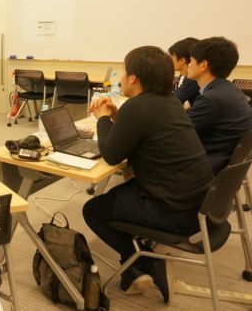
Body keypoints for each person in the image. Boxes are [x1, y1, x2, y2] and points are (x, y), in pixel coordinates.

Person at [83, 46, 213, 304]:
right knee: (118, 196)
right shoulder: (169, 102)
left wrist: (103, 118)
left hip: (173, 212)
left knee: (94, 210)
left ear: (133, 78)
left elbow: (111, 155)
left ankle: (146, 261)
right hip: (198, 204)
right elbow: (142, 129)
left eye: (123, 71)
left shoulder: (138, 107)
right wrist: (116, 115)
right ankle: (133, 269)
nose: (121, 77)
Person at [186, 36, 252, 174]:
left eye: (191, 60)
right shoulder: (230, 90)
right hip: (222, 166)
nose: (188, 65)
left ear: (203, 65)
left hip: (202, 171)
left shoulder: (211, 99)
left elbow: (179, 134)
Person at [167, 37, 199, 106]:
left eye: (172, 56)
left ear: (182, 60)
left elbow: (174, 100)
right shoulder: (187, 78)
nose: (169, 60)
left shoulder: (192, 79)